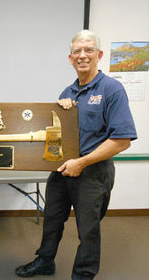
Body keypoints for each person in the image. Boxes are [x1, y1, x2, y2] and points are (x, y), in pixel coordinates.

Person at [15, 30, 137, 280]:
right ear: (70, 58)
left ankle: (83, 274)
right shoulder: (67, 93)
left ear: (99, 55)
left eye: (88, 50)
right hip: (62, 170)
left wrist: (81, 163)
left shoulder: (112, 90)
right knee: (52, 220)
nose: (83, 55)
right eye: (77, 52)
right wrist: (62, 112)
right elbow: (58, 136)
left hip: (92, 172)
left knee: (88, 230)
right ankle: (45, 261)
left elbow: (121, 141)